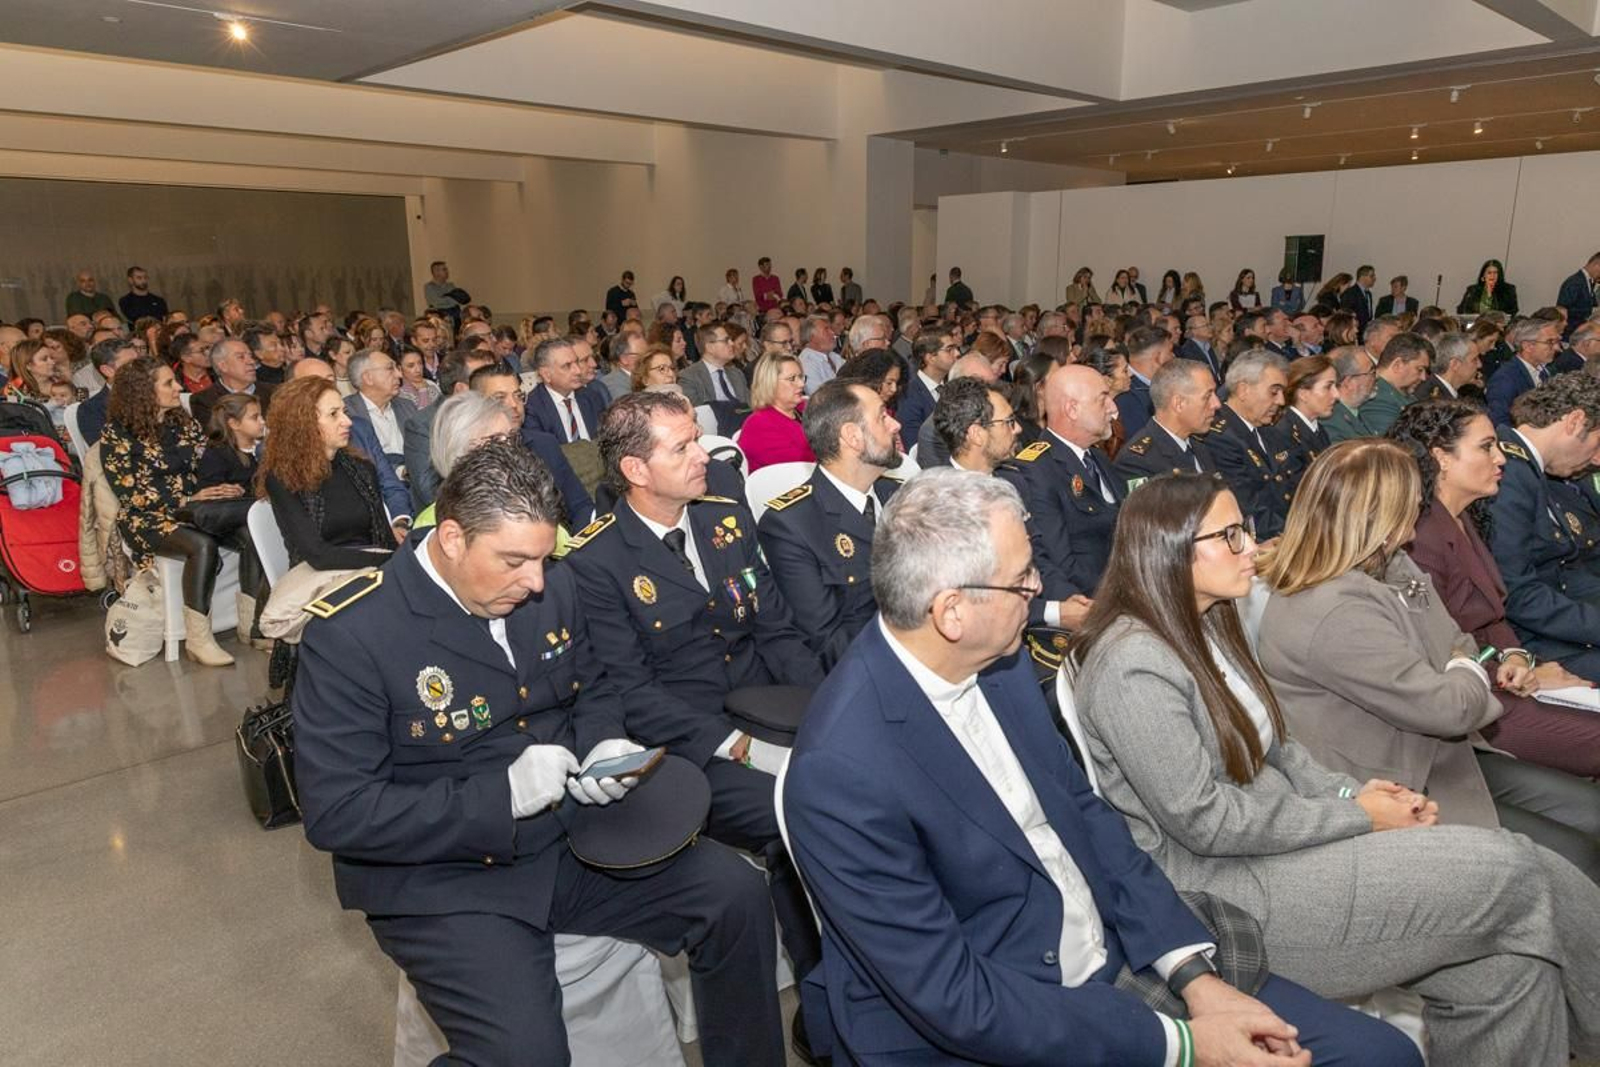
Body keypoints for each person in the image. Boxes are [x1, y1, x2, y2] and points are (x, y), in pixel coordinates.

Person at [787, 467, 1422, 1067]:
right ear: (952, 612)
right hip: (1004, 1019)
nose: (1040, 591)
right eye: (1021, 580)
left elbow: (1089, 822)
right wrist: (1182, 1044)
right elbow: (958, 999)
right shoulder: (844, 769)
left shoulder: (997, 668)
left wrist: (1193, 976)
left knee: (1382, 1055)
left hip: (1118, 958)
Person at [1071, 470, 1600, 1067]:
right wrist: (1355, 815)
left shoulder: (1208, 624)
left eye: (1245, 529)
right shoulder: (1131, 662)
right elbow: (1206, 822)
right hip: (1229, 891)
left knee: (1505, 970)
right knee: (1517, 867)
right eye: (1232, 536)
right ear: (1168, 551)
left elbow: (1281, 749)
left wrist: (1357, 791)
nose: (1254, 546)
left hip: (1280, 856)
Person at [293, 435, 785, 1067]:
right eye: (513, 561)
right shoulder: (355, 634)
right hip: (449, 877)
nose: (534, 581)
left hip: (573, 839)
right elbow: (339, 813)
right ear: (450, 538)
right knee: (526, 1053)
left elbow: (595, 686)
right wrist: (498, 796)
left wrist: (603, 737)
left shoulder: (553, 583)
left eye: (544, 557)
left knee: (736, 897)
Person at [561, 391, 824, 1057]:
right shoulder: (596, 564)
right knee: (804, 813)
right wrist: (738, 746)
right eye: (681, 446)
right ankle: (824, 1005)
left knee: (861, 782)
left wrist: (829, 704)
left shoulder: (723, 517)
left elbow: (776, 628)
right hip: (690, 745)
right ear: (635, 469)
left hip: (769, 710)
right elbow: (632, 693)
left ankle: (841, 993)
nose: (703, 453)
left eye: (697, 438)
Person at [1257, 438, 1600, 879]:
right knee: (1573, 857)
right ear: (1379, 517)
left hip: (1445, 757)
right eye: (1410, 507)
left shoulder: (1390, 564)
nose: (1417, 525)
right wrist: (1461, 667)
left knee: (1592, 816)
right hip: (1399, 787)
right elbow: (1450, 706)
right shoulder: (1333, 608)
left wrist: (1459, 665)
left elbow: (1460, 643)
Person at [1390, 400, 1600, 774]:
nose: (1501, 458)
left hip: (1502, 679)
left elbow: (1494, 615)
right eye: (1486, 447)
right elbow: (1438, 652)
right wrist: (1517, 672)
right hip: (1474, 703)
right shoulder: (1419, 538)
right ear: (1441, 458)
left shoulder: (1464, 518)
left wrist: (1518, 658)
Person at [101, 357, 241, 666]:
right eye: (168, 383)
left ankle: (254, 624)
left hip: (197, 508)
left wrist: (224, 486)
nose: (178, 387)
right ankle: (199, 639)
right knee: (202, 545)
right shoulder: (117, 435)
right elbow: (131, 494)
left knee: (250, 529)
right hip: (148, 519)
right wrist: (189, 498)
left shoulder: (183, 422)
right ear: (143, 391)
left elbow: (205, 465)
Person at [757, 381, 902, 668]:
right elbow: (827, 641)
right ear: (852, 436)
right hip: (872, 670)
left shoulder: (901, 496)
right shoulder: (791, 525)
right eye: (882, 416)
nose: (895, 424)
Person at [1486, 375, 1600, 679]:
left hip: (1555, 619)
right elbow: (1516, 593)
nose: (1597, 458)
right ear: (1575, 421)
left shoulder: (1530, 468)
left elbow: (1566, 565)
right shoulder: (1507, 472)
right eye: (1598, 442)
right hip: (1526, 641)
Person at [999, 365, 1121, 632]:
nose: (1114, 408)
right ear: (1072, 409)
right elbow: (1061, 563)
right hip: (1094, 606)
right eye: (1103, 399)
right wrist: (1118, 601)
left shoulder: (1097, 458)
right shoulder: (1036, 470)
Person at [259, 376, 399, 572]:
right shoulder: (283, 478)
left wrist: (399, 563)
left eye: (344, 412)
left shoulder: (362, 468)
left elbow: (385, 536)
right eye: (334, 414)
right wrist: (388, 562)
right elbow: (318, 555)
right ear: (303, 423)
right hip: (316, 575)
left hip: (372, 565)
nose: (347, 422)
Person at [1204, 350, 1291, 540]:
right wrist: (1301, 534)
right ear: (1243, 390)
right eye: (1274, 391)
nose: (1281, 400)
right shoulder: (1220, 437)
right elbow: (1249, 510)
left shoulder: (1267, 429)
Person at [1111, 360, 1219, 493]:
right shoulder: (1137, 461)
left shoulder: (1199, 443)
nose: (1216, 404)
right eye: (1207, 396)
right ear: (1178, 403)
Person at [1266, 355, 1337, 500]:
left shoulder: (1317, 429)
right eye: (1328, 387)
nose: (1336, 395)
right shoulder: (1283, 434)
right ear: (1303, 394)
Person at [522, 337, 605, 449]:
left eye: (576, 362)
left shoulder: (592, 397)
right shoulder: (532, 409)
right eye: (567, 366)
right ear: (546, 374)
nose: (578, 371)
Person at [738, 353, 815, 472]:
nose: (801, 384)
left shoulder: (805, 408)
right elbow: (799, 467)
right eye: (792, 379)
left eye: (801, 377)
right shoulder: (758, 425)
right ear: (770, 383)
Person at [1487, 316, 1561, 425]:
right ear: (1528, 346)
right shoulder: (1505, 378)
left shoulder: (1545, 372)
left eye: (1557, 341)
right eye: (1550, 342)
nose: (1556, 347)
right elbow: (1500, 424)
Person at [189, 337, 274, 432]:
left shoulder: (274, 392)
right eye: (241, 357)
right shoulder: (204, 401)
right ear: (223, 366)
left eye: (250, 356)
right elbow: (217, 438)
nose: (251, 362)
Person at [895, 330, 958, 449]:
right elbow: (914, 446)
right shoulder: (909, 395)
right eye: (949, 350)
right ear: (930, 358)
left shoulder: (953, 386)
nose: (957, 353)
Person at [1358, 332, 1431, 434]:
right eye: (1419, 369)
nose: (1423, 378)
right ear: (1398, 365)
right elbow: (1393, 444)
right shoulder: (1377, 398)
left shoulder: (1402, 393)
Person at [76, 337, 140, 447]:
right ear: (108, 371)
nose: (141, 368)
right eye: (130, 364)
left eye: (139, 361)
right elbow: (107, 451)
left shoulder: (158, 393)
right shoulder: (91, 409)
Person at [677, 325, 750, 407]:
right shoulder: (689, 377)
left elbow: (750, 406)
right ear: (709, 347)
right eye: (726, 340)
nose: (732, 343)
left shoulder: (737, 374)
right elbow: (698, 412)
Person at [834, 348, 902, 412]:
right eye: (889, 383)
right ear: (872, 379)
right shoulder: (848, 411)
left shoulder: (888, 407)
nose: (894, 389)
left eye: (896, 383)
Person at [1556, 252, 1600, 338]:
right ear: (1597, 266)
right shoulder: (1574, 283)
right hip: (1570, 335)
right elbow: (1562, 311)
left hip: (1579, 332)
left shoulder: (1589, 282)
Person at [1340, 265, 1378, 330]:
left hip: (1365, 331)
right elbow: (1345, 314)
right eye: (1371, 276)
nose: (1374, 278)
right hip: (1353, 330)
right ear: (1362, 277)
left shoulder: (1368, 294)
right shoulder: (1350, 293)